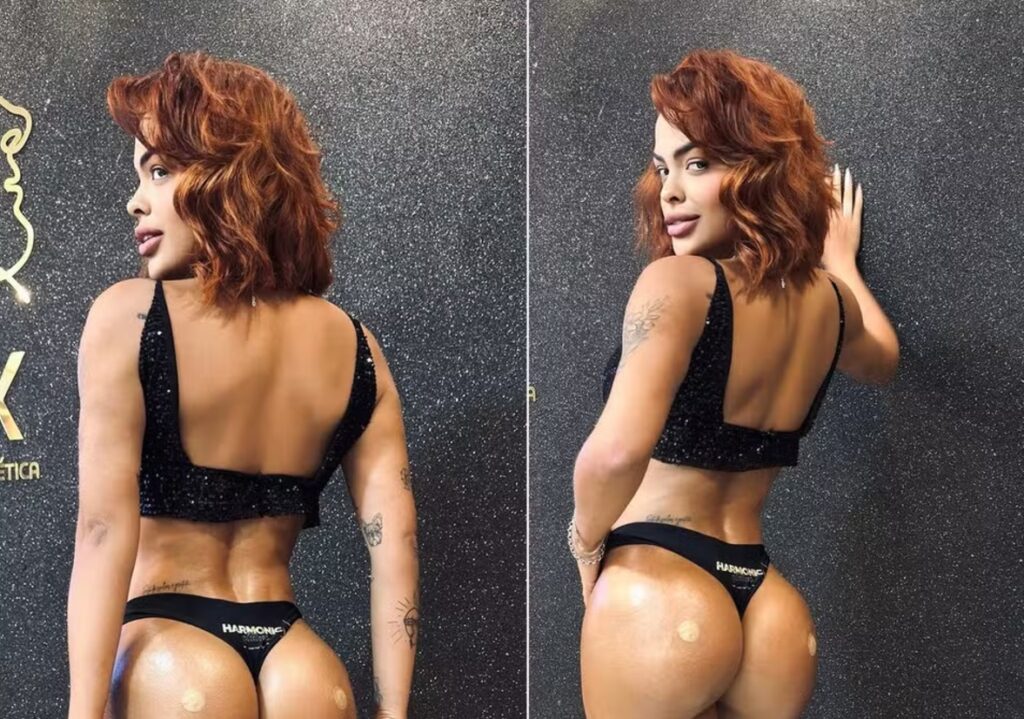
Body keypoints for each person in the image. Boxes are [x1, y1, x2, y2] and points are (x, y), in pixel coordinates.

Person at [67, 52, 418, 719]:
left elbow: (103, 531)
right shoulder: (356, 347)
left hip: (173, 659)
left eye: (160, 171)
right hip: (303, 668)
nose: (136, 200)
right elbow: (394, 544)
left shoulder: (129, 316)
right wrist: (395, 710)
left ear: (229, 174)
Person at [570, 49, 900, 719]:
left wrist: (585, 543)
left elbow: (614, 453)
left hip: (660, 588)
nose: (668, 191)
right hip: (770, 608)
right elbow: (884, 359)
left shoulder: (678, 283)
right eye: (662, 167)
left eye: (696, 164)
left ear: (761, 169)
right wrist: (840, 264)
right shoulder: (832, 305)